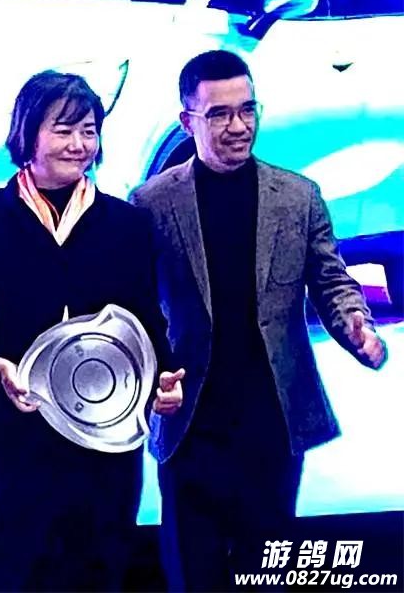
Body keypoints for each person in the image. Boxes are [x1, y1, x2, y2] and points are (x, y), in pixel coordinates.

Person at [129, 49, 388, 591]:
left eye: (248, 110)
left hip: (272, 422)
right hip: (190, 425)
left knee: (268, 577)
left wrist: (356, 326)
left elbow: (332, 279)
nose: (238, 126)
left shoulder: (298, 197)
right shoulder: (151, 203)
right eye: (220, 114)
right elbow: (135, 304)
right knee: (192, 579)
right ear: (188, 122)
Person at [0, 70, 178, 592]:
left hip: (106, 443)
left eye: (88, 130)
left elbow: (145, 318)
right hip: (16, 441)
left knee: (101, 571)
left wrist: (161, 377)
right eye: (63, 129)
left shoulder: (127, 225)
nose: (78, 144)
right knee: (15, 574)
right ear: (27, 134)